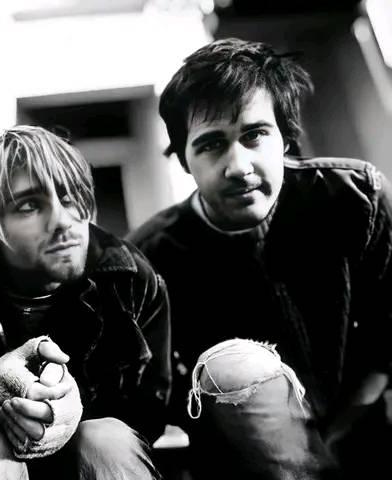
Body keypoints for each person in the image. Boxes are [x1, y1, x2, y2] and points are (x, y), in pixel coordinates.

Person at [128, 38, 392, 479]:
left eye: (254, 135)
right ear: (185, 161)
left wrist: (338, 431)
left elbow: (387, 334)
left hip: (364, 432)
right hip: (241, 460)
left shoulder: (355, 198)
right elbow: (155, 390)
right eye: (211, 144)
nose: (239, 166)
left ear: (285, 138)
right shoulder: (150, 260)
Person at [0, 125, 171, 479]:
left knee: (106, 441)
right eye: (30, 205)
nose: (63, 222)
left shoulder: (129, 278)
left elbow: (151, 413)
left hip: (92, 455)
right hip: (0, 459)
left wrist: (73, 408)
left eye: (69, 197)